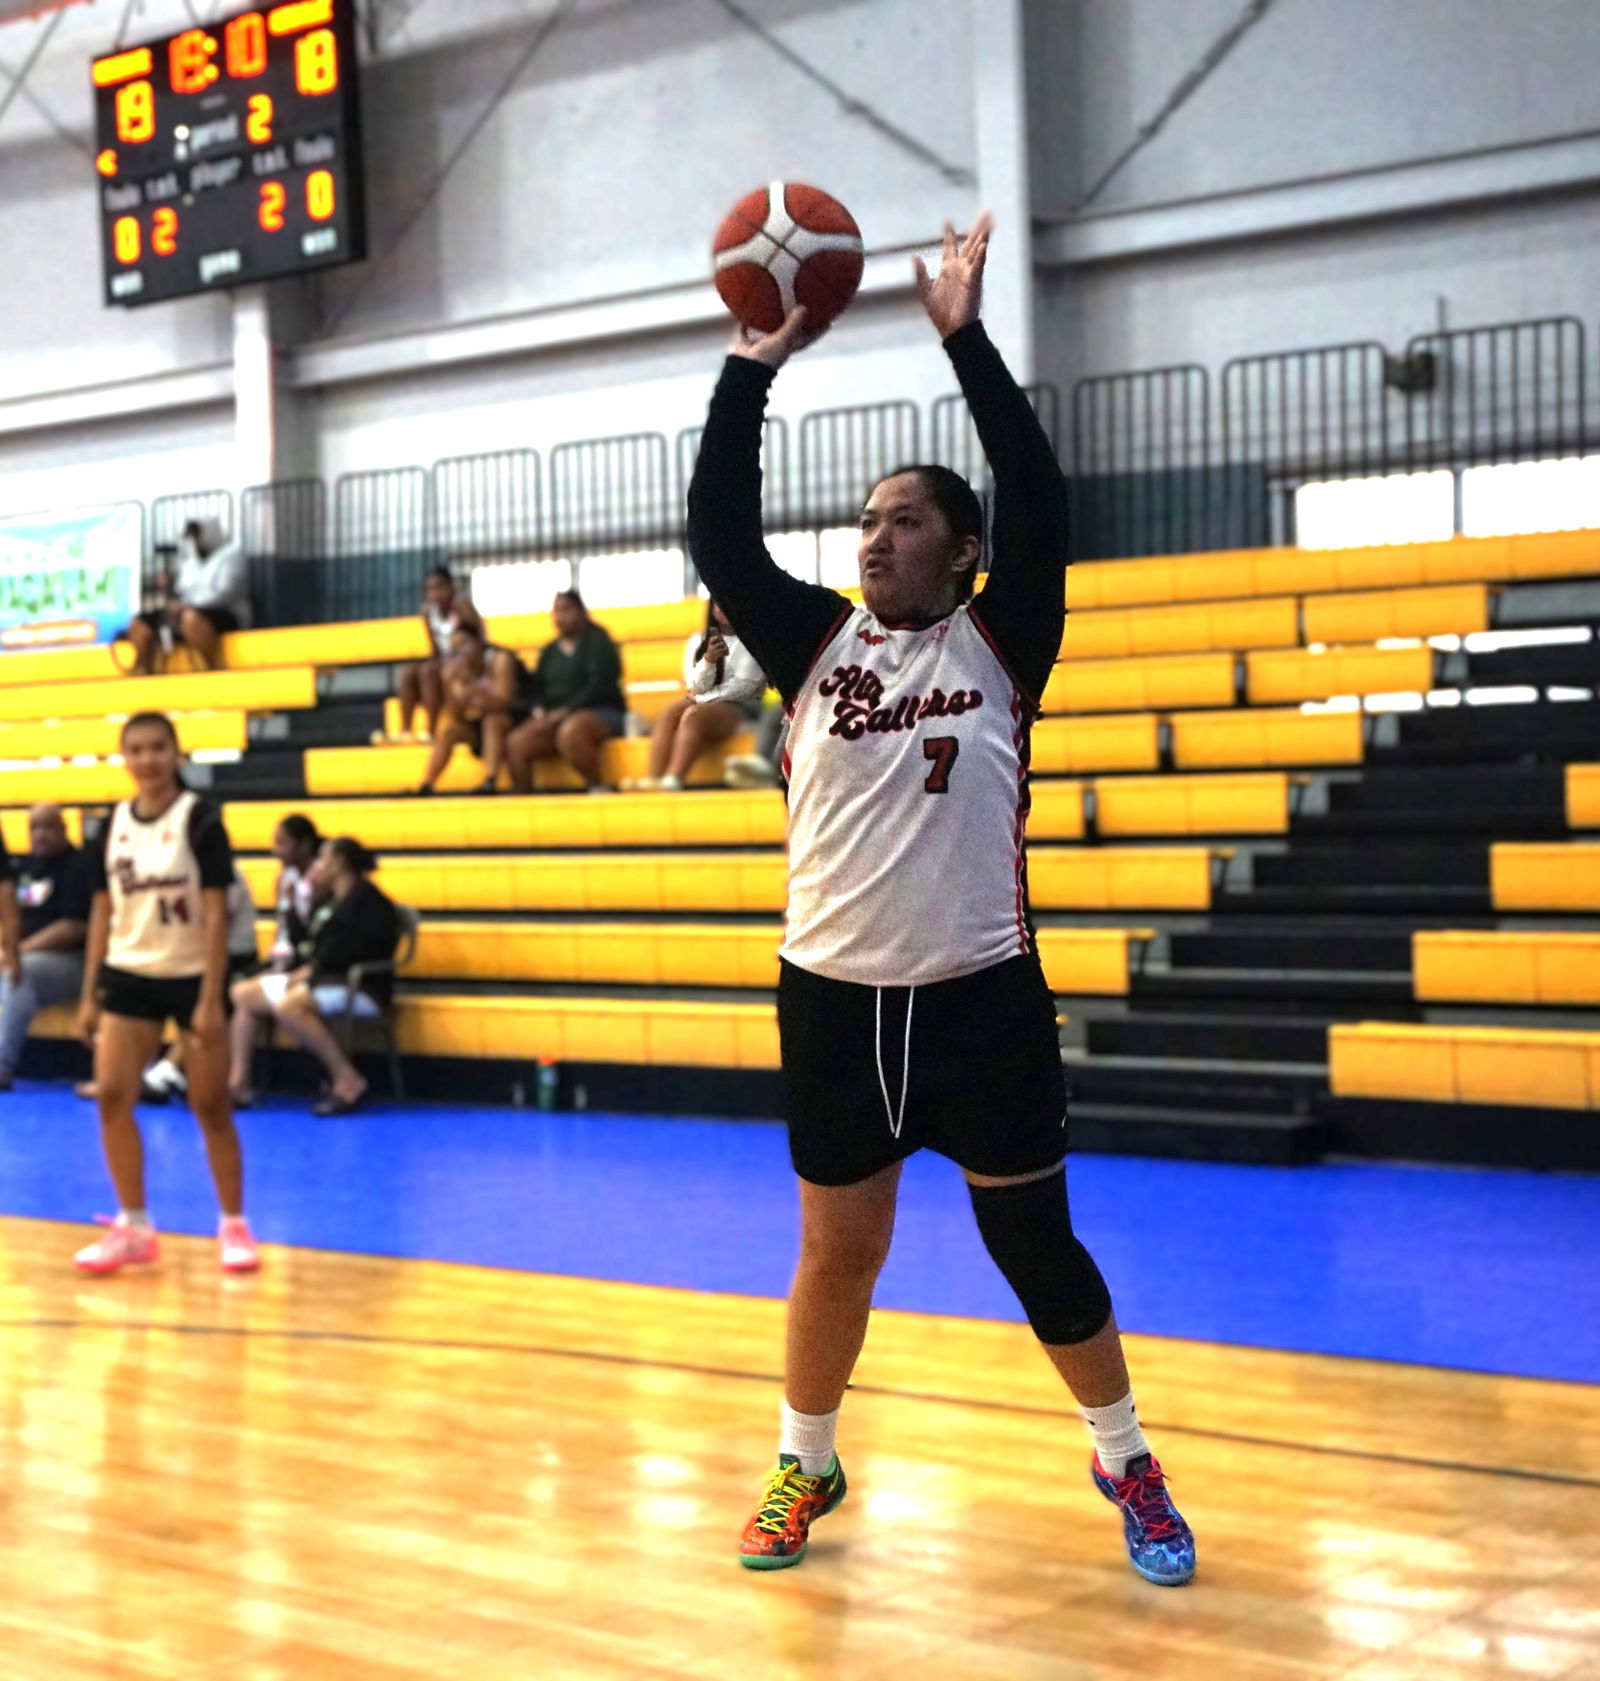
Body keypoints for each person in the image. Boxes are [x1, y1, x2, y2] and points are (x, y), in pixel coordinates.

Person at [687, 215, 1195, 1585]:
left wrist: (963, 336)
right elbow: (717, 532)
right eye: (864, 521)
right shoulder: (809, 644)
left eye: (904, 519)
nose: (875, 537)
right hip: (832, 995)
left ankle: (1126, 1454)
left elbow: (1039, 493)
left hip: (980, 995)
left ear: (963, 551)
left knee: (1035, 1244)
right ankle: (805, 1458)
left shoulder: (1003, 635)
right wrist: (752, 367)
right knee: (834, 1255)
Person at [72, 712, 258, 1275]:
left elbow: (218, 911)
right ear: (124, 758)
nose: (148, 759)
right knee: (111, 1095)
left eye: (158, 748)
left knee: (209, 1105)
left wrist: (210, 994)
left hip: (190, 973)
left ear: (176, 753)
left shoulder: (200, 820)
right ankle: (133, 1225)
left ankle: (233, 1225)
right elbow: (103, 910)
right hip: (130, 971)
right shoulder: (110, 826)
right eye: (137, 749)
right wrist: (90, 992)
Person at [228, 836, 400, 1117]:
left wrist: (313, 970)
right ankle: (239, 1084)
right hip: (321, 982)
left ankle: (346, 1078)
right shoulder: (329, 901)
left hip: (361, 988)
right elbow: (306, 945)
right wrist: (292, 908)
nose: (318, 866)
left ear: (340, 863)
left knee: (289, 1006)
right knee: (243, 994)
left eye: (323, 859)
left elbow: (357, 953)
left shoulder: (370, 902)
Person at [0, 804, 92, 1091]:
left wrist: (18, 950)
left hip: (71, 961)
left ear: (65, 829)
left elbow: (73, 927)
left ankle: (2, 1063)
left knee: (20, 972)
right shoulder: (26, 867)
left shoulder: (79, 866)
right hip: (26, 953)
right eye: (34, 828)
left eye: (48, 827)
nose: (41, 835)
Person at [632, 601, 767, 791]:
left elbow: (743, 687)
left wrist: (702, 698)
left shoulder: (752, 640)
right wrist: (708, 660)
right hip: (704, 700)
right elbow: (694, 683)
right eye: (718, 604)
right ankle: (653, 778)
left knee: (694, 715)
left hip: (742, 706)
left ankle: (672, 779)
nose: (723, 608)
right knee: (671, 711)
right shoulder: (699, 640)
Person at [504, 591, 626, 793]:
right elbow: (537, 688)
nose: (561, 616)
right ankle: (525, 801)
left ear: (581, 612)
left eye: (567, 609)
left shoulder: (599, 642)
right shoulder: (549, 651)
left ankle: (597, 787)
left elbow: (599, 687)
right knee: (516, 743)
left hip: (601, 711)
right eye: (557, 611)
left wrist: (565, 711)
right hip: (554, 718)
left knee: (571, 733)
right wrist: (539, 710)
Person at [416, 624, 532, 795]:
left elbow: (502, 703)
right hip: (484, 725)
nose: (460, 653)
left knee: (493, 720)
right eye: (455, 650)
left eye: (464, 644)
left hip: (518, 721)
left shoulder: (500, 659)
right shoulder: (460, 670)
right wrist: (450, 687)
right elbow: (458, 715)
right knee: (450, 730)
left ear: (479, 642)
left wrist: (472, 689)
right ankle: (426, 785)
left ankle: (490, 781)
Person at [125, 519, 251, 675]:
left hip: (223, 613)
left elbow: (226, 593)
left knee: (190, 618)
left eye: (198, 536)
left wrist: (186, 606)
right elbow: (182, 589)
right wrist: (173, 598)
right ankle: (146, 672)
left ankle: (213, 668)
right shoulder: (191, 560)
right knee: (139, 623)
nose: (195, 541)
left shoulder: (231, 555)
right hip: (185, 610)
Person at [387, 568, 485, 744]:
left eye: (439, 588)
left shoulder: (463, 606)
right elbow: (435, 649)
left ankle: (430, 731)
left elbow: (478, 643)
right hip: (445, 661)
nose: (434, 594)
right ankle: (406, 731)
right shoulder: (427, 611)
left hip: (468, 664)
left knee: (429, 671)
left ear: (451, 588)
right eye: (429, 589)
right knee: (409, 672)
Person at [266, 814, 324, 968]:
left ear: (304, 844)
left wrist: (291, 907)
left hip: (310, 958)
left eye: (282, 843)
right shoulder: (284, 877)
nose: (276, 851)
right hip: (287, 955)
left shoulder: (321, 878)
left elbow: (313, 932)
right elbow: (282, 924)